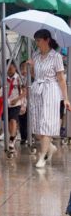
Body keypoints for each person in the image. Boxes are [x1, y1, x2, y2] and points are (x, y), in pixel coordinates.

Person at [29, 29, 70, 168]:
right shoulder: (35, 55)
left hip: (50, 91)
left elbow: (61, 79)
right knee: (37, 126)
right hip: (37, 91)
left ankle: (43, 156)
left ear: (47, 40)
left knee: (46, 123)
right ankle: (49, 147)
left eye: (39, 40)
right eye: (36, 41)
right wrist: (32, 67)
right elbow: (35, 76)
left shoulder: (56, 57)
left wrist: (66, 98)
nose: (37, 43)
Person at [6, 60, 24, 152]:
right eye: (8, 68)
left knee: (13, 120)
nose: (9, 70)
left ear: (15, 68)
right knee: (9, 122)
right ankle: (13, 135)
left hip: (16, 103)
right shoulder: (4, 77)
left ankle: (11, 140)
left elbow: (25, 91)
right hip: (6, 103)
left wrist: (18, 100)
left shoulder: (19, 78)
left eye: (11, 68)